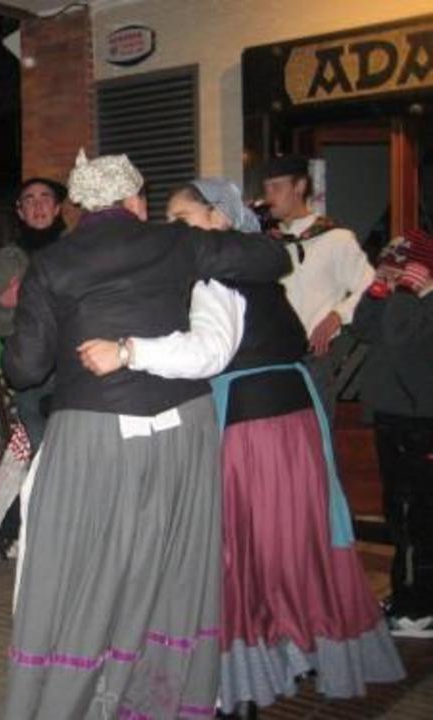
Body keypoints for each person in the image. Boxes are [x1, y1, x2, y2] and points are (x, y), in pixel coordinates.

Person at [2, 151, 291, 720]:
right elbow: (271, 257)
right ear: (135, 199)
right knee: (168, 567)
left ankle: (73, 701)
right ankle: (156, 699)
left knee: (85, 571)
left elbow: (24, 369)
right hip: (182, 428)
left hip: (95, 433)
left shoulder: (52, 263)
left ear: (79, 206)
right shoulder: (176, 242)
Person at [107, 179, 401, 718]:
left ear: (220, 217)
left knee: (246, 545)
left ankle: (246, 677)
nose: (174, 229)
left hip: (251, 421)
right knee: (293, 539)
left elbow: (207, 352)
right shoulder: (254, 268)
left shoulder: (219, 275)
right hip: (288, 413)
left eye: (183, 217)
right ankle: (301, 649)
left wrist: (129, 352)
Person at [353, 229, 433, 639]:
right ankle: (408, 595)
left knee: (414, 515)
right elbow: (363, 329)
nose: (392, 271)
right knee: (399, 512)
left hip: (419, 423)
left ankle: (417, 610)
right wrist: (377, 291)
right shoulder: (403, 298)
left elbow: (402, 334)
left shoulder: (422, 302)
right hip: (392, 417)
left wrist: (405, 292)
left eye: (399, 266)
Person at [0, 177, 67, 558]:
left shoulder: (78, 249)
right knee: (46, 453)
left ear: (58, 207)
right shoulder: (8, 260)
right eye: (28, 200)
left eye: (45, 198)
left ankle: (37, 529)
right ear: (19, 211)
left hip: (79, 370)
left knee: (76, 451)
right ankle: (26, 531)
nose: (38, 205)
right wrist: (5, 302)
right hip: (33, 376)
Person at [262, 155, 374, 423]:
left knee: (318, 437)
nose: (268, 197)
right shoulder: (266, 243)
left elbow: (369, 286)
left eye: (276, 187)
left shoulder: (336, 239)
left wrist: (337, 315)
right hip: (269, 360)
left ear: (299, 186)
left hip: (313, 360)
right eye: (266, 189)